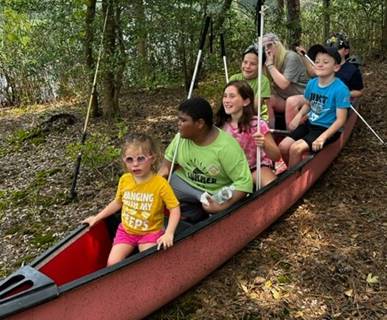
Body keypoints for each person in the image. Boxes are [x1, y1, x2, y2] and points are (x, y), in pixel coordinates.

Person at [83, 133, 181, 266]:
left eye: (141, 159)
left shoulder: (160, 184)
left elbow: (174, 208)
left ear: (152, 158)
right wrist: (97, 217)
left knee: (150, 263)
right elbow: (118, 202)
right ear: (124, 160)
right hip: (127, 231)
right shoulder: (125, 180)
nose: (135, 164)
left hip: (150, 232)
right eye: (129, 160)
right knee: (112, 263)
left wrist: (169, 233)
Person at [158, 96, 253, 224]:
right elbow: (165, 169)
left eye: (183, 120)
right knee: (164, 184)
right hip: (185, 185)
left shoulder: (226, 147)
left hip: (215, 192)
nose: (178, 124)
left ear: (200, 124)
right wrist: (152, 191)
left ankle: (203, 214)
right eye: (178, 119)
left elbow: (244, 183)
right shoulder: (179, 139)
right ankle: (191, 212)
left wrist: (222, 207)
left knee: (212, 206)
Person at [278, 45, 351, 168]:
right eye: (317, 61)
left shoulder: (341, 89)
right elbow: (308, 104)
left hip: (326, 129)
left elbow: (341, 120)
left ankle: (294, 179)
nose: (319, 64)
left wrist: (322, 137)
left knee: (295, 149)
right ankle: (291, 171)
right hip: (310, 124)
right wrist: (298, 117)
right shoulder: (312, 83)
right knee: (283, 146)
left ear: (336, 67)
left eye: (325, 62)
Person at [287, 32, 364, 130]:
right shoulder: (323, 65)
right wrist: (304, 56)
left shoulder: (352, 70)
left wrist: (342, 93)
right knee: (292, 101)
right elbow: (312, 73)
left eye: (337, 49)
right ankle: (292, 130)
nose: (331, 51)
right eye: (328, 48)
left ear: (346, 51)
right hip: (317, 97)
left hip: (337, 101)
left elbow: (360, 92)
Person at [215, 80, 281, 186]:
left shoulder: (258, 125)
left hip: (256, 169)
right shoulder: (221, 125)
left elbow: (276, 156)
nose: (226, 100)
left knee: (268, 181)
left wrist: (264, 144)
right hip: (232, 173)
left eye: (232, 96)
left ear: (245, 101)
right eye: (225, 96)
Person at [263, 33, 308, 128]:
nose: (267, 49)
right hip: (285, 98)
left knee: (291, 102)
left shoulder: (291, 57)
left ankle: (290, 137)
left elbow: (283, 84)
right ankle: (270, 132)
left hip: (304, 97)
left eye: (269, 45)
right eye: (264, 47)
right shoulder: (269, 61)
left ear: (277, 44)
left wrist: (270, 65)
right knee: (267, 99)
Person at [229, 44, 271, 122]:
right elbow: (228, 102)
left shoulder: (263, 81)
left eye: (253, 64)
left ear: (260, 67)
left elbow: (255, 107)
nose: (247, 66)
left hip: (256, 119)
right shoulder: (234, 78)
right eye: (245, 62)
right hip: (236, 117)